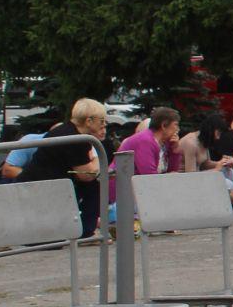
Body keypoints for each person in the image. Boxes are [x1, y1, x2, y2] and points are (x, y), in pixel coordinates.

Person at [25, 99, 108, 237]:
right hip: (43, 187)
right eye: (101, 120)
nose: (104, 124)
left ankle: (83, 229)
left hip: (46, 184)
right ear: (89, 121)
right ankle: (85, 231)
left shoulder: (67, 131)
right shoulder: (75, 139)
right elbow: (88, 174)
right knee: (93, 185)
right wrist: (98, 158)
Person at [117, 107, 182, 177]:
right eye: (176, 124)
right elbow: (149, 177)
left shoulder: (166, 142)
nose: (178, 129)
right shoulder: (145, 140)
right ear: (163, 125)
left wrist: (174, 150)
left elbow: (173, 172)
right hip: (121, 186)